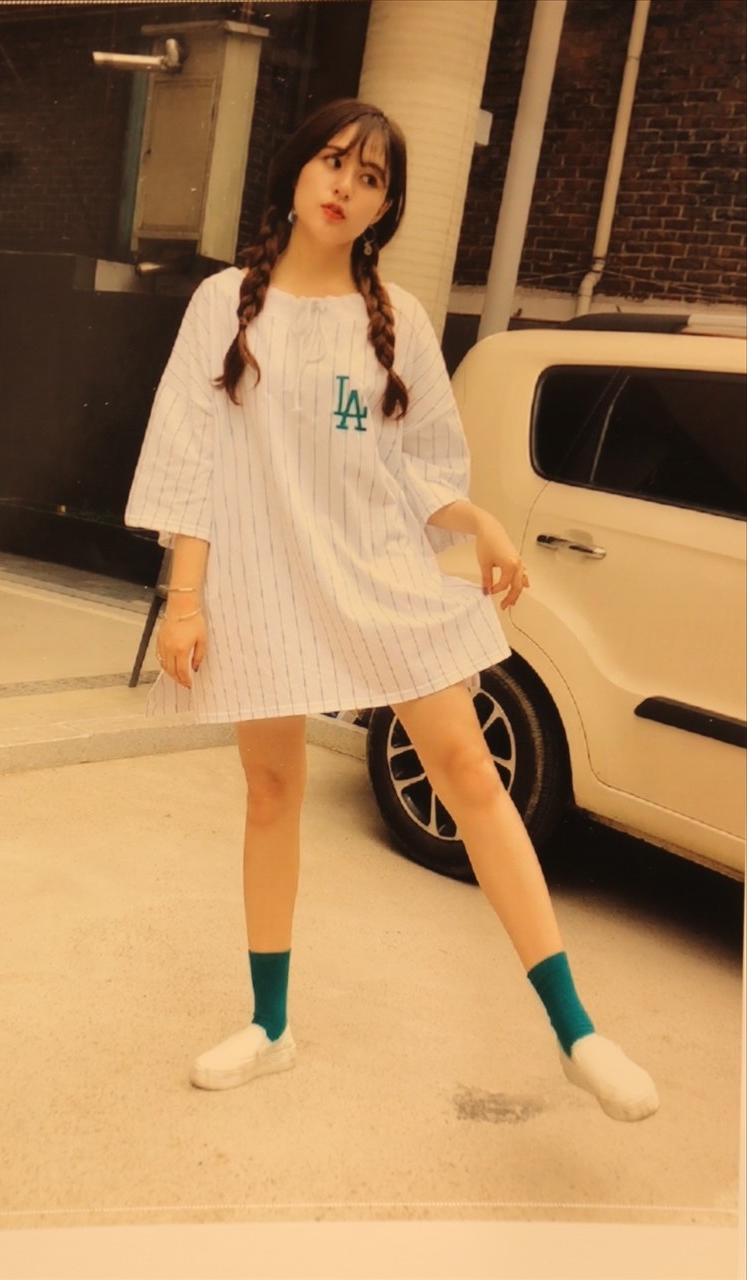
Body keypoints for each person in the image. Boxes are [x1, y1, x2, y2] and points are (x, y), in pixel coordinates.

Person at [125, 98, 658, 1122]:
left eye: (370, 178)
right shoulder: (224, 303)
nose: (345, 186)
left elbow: (417, 467)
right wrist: (185, 599)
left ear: (385, 206)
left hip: (377, 575)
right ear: (295, 169)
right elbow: (191, 460)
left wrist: (479, 520)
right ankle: (270, 1026)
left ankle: (576, 1031)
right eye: (333, 161)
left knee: (470, 773)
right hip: (262, 583)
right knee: (271, 792)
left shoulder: (400, 320)